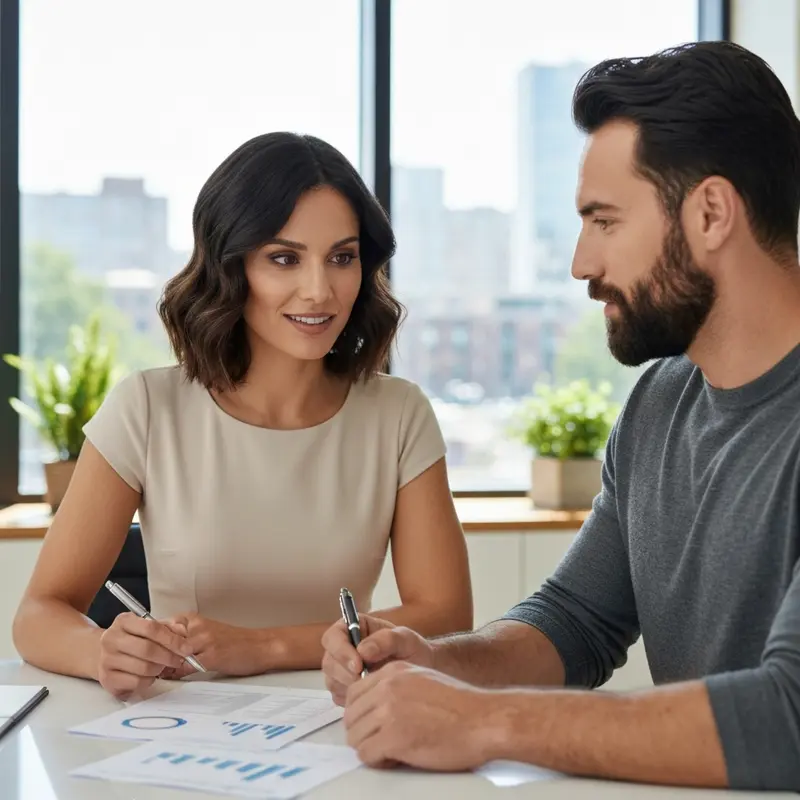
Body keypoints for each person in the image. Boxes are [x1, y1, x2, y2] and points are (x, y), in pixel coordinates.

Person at [321, 41, 800, 792]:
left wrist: (482, 722)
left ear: (711, 213)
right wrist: (439, 665)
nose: (580, 263)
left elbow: (788, 720)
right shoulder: (661, 402)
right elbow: (577, 620)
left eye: (604, 221)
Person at [13, 132, 473, 699]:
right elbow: (39, 614)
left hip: (341, 721)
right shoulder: (147, 408)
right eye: (284, 258)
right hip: (181, 728)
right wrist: (99, 651)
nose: (319, 290)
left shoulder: (399, 415)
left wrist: (267, 647)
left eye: (342, 258)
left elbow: (447, 617)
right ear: (232, 266)